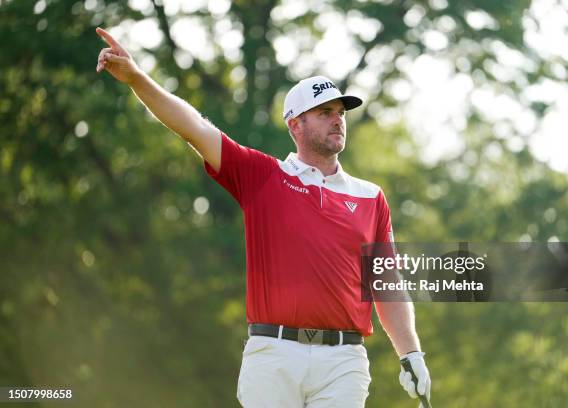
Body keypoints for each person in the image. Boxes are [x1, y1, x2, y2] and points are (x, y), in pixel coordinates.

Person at [95, 26, 431, 407]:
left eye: (340, 113)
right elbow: (192, 127)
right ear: (295, 125)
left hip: (343, 361)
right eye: (324, 113)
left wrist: (411, 353)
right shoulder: (264, 176)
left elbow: (387, 283)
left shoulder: (370, 197)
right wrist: (138, 78)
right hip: (273, 355)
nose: (338, 120)